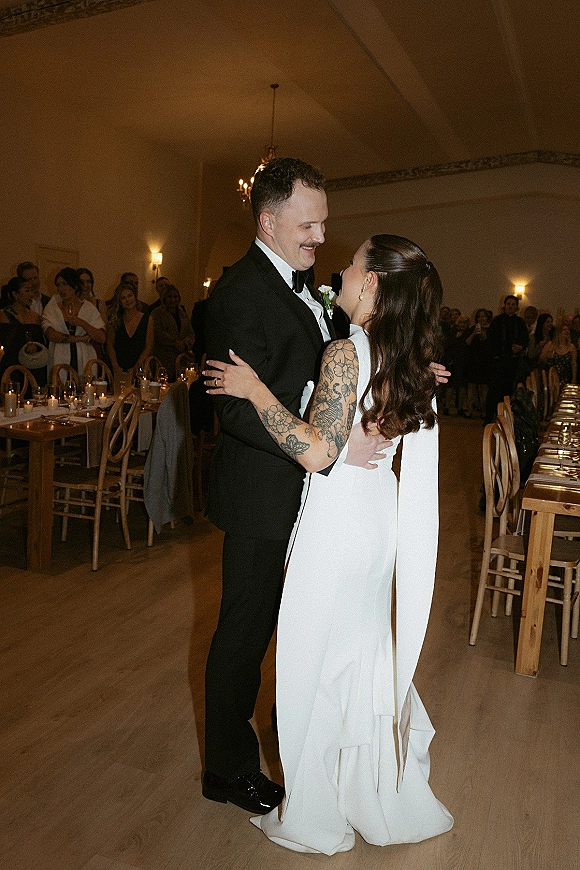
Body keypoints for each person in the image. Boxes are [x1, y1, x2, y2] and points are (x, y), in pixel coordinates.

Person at [205, 233, 454, 854]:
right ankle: (366, 791)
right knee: (357, 660)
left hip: (338, 530)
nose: (340, 268)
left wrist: (256, 390)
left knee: (315, 664)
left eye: (353, 262)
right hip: (375, 529)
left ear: (370, 283)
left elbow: (319, 452)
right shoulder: (407, 357)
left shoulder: (347, 350)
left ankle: (319, 808)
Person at [202, 157, 393, 817]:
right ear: (269, 219)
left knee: (299, 625)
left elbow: (331, 366)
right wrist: (325, 447)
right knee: (244, 633)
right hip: (261, 495)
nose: (318, 236)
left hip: (309, 492)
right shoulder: (235, 295)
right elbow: (230, 407)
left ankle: (298, 742)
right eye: (308, 224)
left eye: (323, 223)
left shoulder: (306, 286)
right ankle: (226, 769)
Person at [42, 267, 105, 381]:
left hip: (84, 356)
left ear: (75, 286)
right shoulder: (52, 308)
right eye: (58, 285)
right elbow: (51, 335)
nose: (61, 289)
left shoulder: (88, 309)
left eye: (65, 284)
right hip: (59, 357)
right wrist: (80, 338)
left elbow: (101, 337)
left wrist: (82, 323)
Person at [484, 294, 528, 422]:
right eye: (508, 304)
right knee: (494, 391)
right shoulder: (497, 321)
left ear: (517, 307)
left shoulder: (520, 322)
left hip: (514, 362)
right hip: (499, 362)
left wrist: (520, 347)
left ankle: (507, 418)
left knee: (510, 390)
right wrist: (496, 355)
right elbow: (491, 341)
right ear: (504, 305)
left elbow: (525, 340)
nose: (510, 306)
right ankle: (489, 417)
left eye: (513, 304)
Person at [0, 276, 48, 384]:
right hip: (12, 367)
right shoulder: (4, 315)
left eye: (32, 291)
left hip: (33, 366)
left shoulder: (36, 317)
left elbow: (42, 342)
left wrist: (35, 347)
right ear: (15, 294)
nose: (31, 294)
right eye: (27, 291)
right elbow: (7, 343)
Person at [106, 282, 154, 383]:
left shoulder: (147, 319)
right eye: (123, 298)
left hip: (139, 367)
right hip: (118, 366)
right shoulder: (115, 319)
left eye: (130, 296)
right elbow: (109, 343)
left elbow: (148, 346)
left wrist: (137, 367)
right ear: (119, 301)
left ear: (135, 297)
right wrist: (115, 366)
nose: (127, 300)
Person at [151, 284, 195, 380]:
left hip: (181, 358)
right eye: (169, 297)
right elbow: (158, 332)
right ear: (164, 298)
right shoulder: (157, 313)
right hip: (164, 357)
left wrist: (185, 343)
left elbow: (190, 333)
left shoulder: (182, 313)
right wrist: (175, 342)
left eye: (175, 297)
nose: (173, 299)